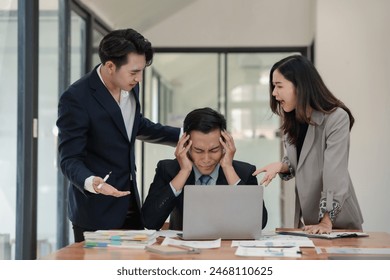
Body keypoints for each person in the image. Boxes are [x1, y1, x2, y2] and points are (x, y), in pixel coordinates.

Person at [56, 28, 180, 242]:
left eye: (141, 71)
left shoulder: (130, 86)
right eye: (134, 72)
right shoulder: (76, 98)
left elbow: (134, 125)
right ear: (110, 66)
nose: (139, 79)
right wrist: (91, 181)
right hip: (96, 209)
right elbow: (69, 159)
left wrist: (185, 135)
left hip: (130, 200)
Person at [252, 55, 363, 234]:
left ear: (300, 86)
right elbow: (299, 164)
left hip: (338, 222)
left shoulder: (336, 118)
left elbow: (334, 172)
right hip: (310, 223)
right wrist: (281, 165)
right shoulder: (291, 119)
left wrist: (327, 221)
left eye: (279, 86)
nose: (274, 93)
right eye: (273, 86)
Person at [142, 107, 268, 230]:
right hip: (182, 249)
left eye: (214, 150)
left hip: (227, 248)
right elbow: (150, 222)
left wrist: (228, 169)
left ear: (225, 144)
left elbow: (259, 223)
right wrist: (184, 172)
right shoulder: (168, 170)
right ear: (185, 144)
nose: (206, 159)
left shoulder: (244, 172)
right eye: (198, 150)